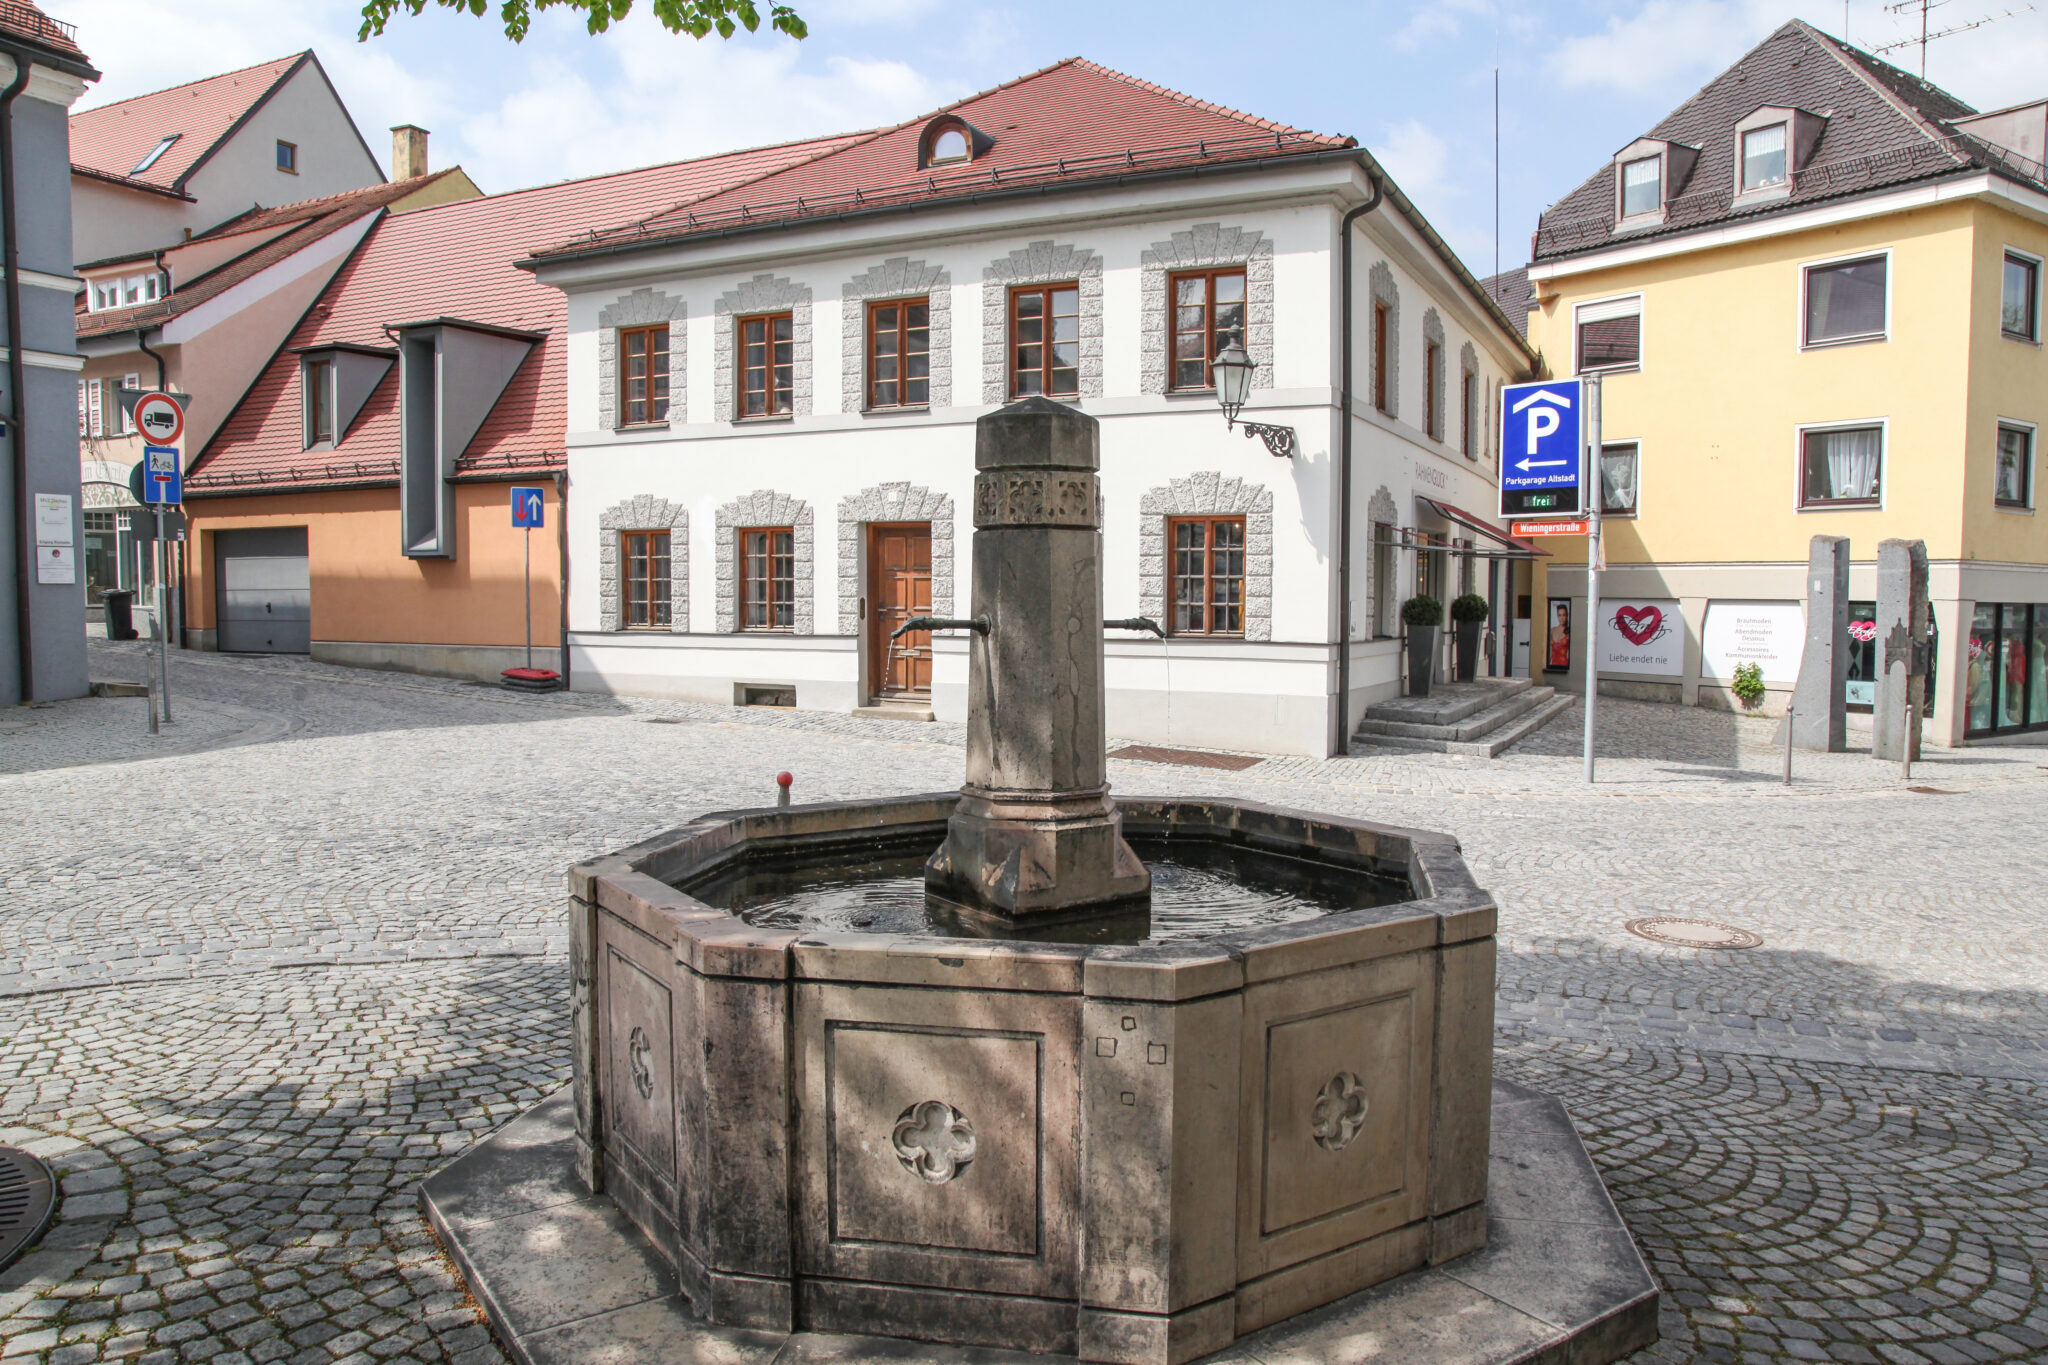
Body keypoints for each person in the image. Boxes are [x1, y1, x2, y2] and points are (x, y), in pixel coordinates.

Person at [1547, 602, 1571, 671]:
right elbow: (1550, 652)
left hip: (1564, 666)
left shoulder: (1569, 631)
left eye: (1564, 615)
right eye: (1559, 615)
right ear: (1557, 616)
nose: (1562, 618)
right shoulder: (1552, 630)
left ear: (1567, 616)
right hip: (1553, 665)